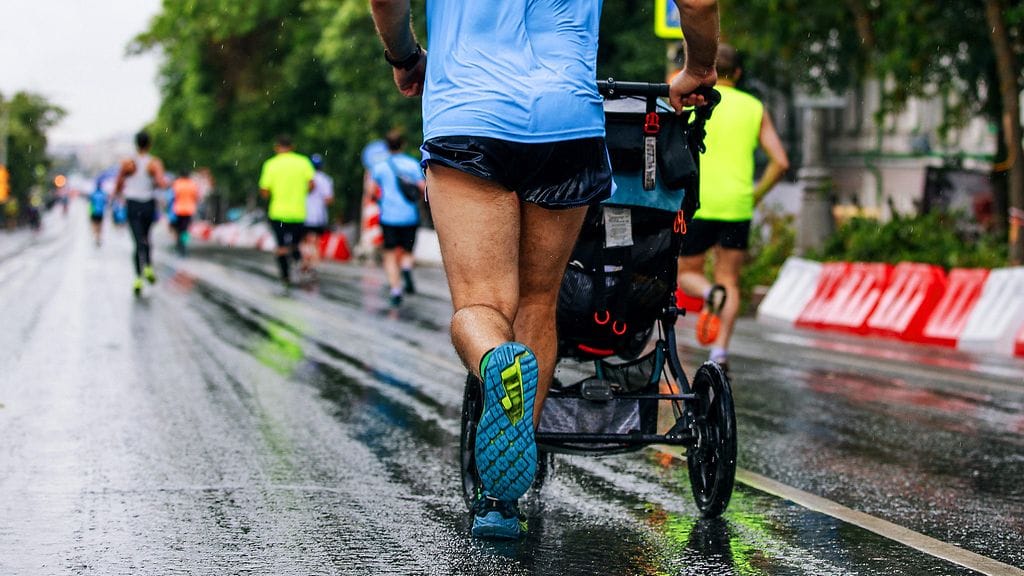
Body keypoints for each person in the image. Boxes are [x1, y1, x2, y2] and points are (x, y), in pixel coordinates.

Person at [371, 0, 719, 540]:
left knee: (482, 306)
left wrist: (405, 55)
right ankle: (503, 500)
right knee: (538, 300)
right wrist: (697, 68)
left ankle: (495, 365)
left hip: (469, 116)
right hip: (569, 122)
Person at [676, 43, 789, 374]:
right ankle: (720, 352)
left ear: (708, 70)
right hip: (738, 205)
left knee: (687, 275)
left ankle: (709, 293)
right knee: (731, 280)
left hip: (699, 201)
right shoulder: (754, 107)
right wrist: (756, 195)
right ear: (738, 73)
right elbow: (781, 162)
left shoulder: (696, 101)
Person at [369, 129, 425, 307]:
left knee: (390, 254)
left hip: (389, 217)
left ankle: (395, 290)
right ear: (403, 144)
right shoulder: (412, 164)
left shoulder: (380, 166)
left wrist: (380, 200)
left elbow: (371, 191)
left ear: (386, 146)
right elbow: (423, 189)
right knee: (407, 251)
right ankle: (407, 268)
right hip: (410, 216)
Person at [258, 134, 315, 293]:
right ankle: (298, 263)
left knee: (281, 246)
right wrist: (300, 192)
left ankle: (285, 277)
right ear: (292, 147)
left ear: (277, 147)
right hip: (298, 212)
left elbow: (264, 191)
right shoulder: (303, 162)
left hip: (278, 212)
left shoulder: (271, 164)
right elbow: (311, 185)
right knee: (295, 244)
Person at [115, 131, 169, 295]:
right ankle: (148, 267)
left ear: (136, 144)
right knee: (146, 238)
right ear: (149, 144)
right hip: (148, 205)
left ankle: (138, 277)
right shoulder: (154, 163)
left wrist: (118, 195)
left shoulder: (128, 163)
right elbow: (161, 183)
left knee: (137, 241)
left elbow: (119, 183)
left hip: (132, 204)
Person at [301, 154, 335, 279]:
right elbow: (329, 199)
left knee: (304, 240)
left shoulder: (305, 177)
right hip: (319, 216)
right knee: (315, 242)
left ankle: (305, 261)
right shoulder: (326, 179)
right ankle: (314, 265)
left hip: (303, 214)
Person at [171, 172, 201, 256]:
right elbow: (196, 197)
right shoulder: (192, 184)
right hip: (189, 209)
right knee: (185, 229)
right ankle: (183, 246)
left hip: (178, 209)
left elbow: (173, 195)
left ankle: (178, 245)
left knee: (178, 229)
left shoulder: (177, 183)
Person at [88, 179, 107, 246]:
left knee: (95, 224)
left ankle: (96, 236)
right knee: (100, 225)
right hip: (101, 212)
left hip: (94, 212)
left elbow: (90, 203)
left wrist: (89, 212)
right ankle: (98, 237)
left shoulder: (93, 194)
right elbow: (105, 203)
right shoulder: (103, 194)